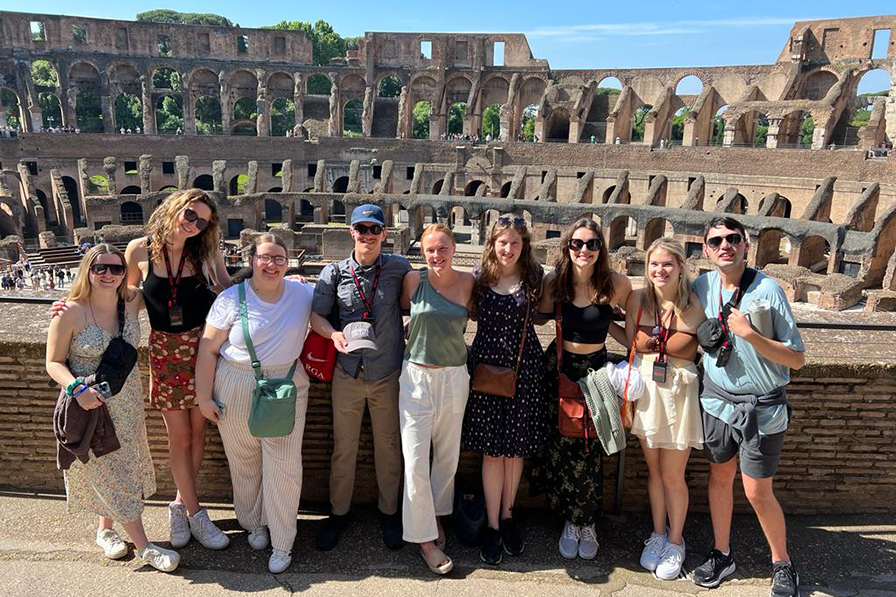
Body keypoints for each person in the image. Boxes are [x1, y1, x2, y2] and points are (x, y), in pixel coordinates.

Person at [45, 245, 179, 572]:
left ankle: (105, 530)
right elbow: (53, 362)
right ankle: (146, 546)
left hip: (127, 403)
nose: (108, 274)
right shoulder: (71, 312)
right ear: (87, 271)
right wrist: (77, 390)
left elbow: (175, 293)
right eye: (100, 268)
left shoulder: (132, 300)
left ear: (124, 272)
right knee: (110, 467)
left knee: (123, 466)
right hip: (91, 404)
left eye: (116, 268)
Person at [691, 217, 805, 597]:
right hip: (717, 402)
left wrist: (751, 335)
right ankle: (722, 555)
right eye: (716, 240)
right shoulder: (702, 286)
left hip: (762, 409)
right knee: (720, 478)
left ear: (745, 246)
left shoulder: (769, 291)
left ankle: (782, 562)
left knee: (757, 491)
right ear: (706, 250)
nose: (725, 245)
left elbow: (797, 359)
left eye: (733, 239)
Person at [196, 234, 313, 573]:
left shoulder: (303, 293)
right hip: (235, 381)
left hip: (286, 384)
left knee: (285, 466)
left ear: (288, 263)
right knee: (244, 460)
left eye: (279, 258)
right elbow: (208, 349)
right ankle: (254, 523)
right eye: (265, 257)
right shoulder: (231, 299)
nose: (271, 264)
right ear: (252, 261)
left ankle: (282, 541)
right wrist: (204, 397)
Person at [124, 189, 232, 550]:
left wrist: (282, 290)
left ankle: (179, 505)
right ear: (174, 207)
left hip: (203, 348)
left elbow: (229, 291)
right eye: (190, 214)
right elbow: (125, 297)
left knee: (199, 434)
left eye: (201, 222)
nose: (193, 224)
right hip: (166, 350)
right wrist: (76, 305)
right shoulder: (139, 249)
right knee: (179, 438)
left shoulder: (205, 251)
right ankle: (197, 513)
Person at [310, 204, 411, 551]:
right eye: (361, 229)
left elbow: (420, 305)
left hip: (386, 371)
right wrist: (332, 335)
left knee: (388, 446)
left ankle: (389, 512)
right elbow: (317, 317)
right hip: (348, 371)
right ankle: (339, 513)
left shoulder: (399, 268)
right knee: (344, 447)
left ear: (384, 234)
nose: (367, 235)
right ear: (351, 232)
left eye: (374, 229)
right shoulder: (334, 273)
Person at [536, 218, 631, 560]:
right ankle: (569, 521)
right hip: (560, 370)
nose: (584, 250)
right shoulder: (554, 282)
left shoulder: (616, 285)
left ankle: (586, 521)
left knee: (593, 447)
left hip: (596, 372)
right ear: (567, 247)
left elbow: (627, 328)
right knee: (561, 447)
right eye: (577, 243)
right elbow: (538, 318)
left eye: (592, 244)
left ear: (601, 249)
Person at [462, 215, 547, 565]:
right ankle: (493, 525)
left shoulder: (536, 278)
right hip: (486, 371)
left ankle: (509, 516)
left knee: (515, 451)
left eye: (514, 242)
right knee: (492, 453)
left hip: (524, 370)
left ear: (523, 245)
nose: (508, 249)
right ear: (492, 245)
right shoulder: (478, 281)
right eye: (502, 242)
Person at [624, 238, 705, 580]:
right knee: (654, 471)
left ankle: (676, 541)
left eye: (667, 264)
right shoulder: (638, 300)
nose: (660, 270)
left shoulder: (697, 305)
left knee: (674, 475)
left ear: (681, 267)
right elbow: (629, 340)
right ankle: (657, 534)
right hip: (647, 393)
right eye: (654, 264)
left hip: (680, 394)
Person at [398, 224, 475, 575]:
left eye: (442, 248)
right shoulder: (415, 281)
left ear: (453, 249)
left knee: (447, 456)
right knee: (415, 461)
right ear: (423, 252)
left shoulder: (469, 283)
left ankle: (438, 515)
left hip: (454, 376)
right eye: (430, 250)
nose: (437, 255)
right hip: (415, 376)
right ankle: (425, 539)